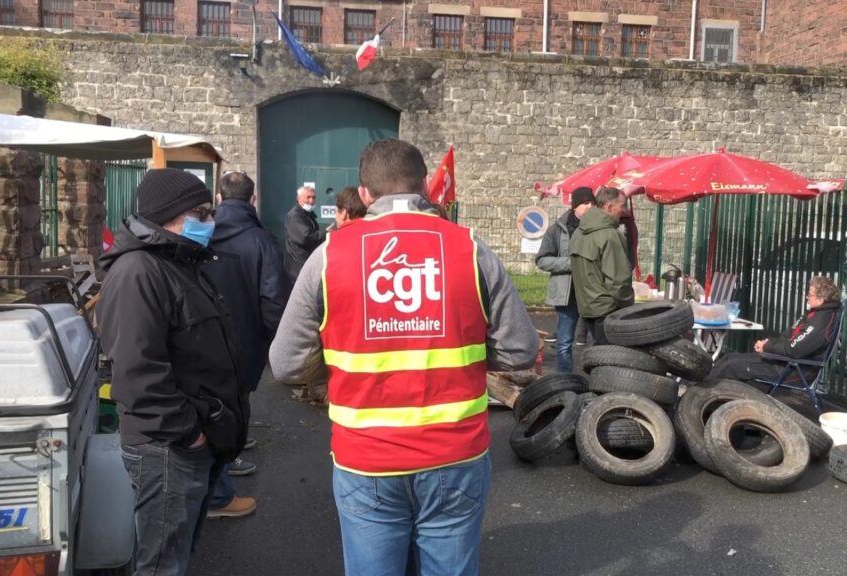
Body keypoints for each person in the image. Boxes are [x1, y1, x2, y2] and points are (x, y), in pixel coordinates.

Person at [269, 139, 539, 576]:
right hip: (454, 456)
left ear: (364, 194)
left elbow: (286, 363)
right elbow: (520, 349)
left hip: (367, 458)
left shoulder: (328, 256)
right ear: (425, 188)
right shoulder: (471, 249)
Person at [97, 168, 248, 575]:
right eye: (200, 212)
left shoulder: (180, 263)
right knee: (162, 564)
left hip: (189, 444)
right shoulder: (139, 272)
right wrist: (189, 434)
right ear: (168, 216)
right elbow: (137, 373)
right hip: (168, 449)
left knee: (176, 556)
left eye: (210, 211)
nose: (211, 222)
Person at [203, 170, 289, 518]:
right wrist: (272, 340)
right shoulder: (262, 240)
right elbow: (273, 299)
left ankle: (226, 466)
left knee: (212, 408)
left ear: (219, 198)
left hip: (203, 338)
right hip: (245, 340)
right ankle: (220, 494)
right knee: (233, 406)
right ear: (252, 199)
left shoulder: (202, 235)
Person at [706, 276, 842, 384]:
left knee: (731, 367)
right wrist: (768, 343)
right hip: (782, 361)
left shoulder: (821, 321)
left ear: (820, 299)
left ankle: (698, 395)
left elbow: (794, 350)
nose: (806, 297)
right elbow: (787, 337)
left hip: (794, 371)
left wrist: (768, 346)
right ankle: (700, 386)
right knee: (728, 357)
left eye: (810, 295)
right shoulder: (814, 313)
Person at [535, 187, 595, 373]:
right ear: (575, 205)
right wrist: (572, 264)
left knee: (597, 343)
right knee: (565, 342)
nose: (590, 206)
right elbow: (542, 260)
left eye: (592, 202)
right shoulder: (557, 230)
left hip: (592, 294)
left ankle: (596, 381)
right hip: (566, 294)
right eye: (586, 203)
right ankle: (564, 380)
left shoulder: (597, 229)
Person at [569, 186, 635, 345]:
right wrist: (629, 305)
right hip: (607, 310)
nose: (624, 210)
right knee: (611, 362)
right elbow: (618, 280)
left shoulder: (579, 232)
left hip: (587, 308)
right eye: (622, 205)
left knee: (598, 359)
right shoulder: (610, 235)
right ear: (609, 206)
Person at [283, 184, 326, 282]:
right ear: (298, 198)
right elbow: (305, 237)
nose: (311, 201)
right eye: (308, 197)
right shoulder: (295, 216)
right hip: (297, 267)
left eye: (313, 197)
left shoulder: (308, 215)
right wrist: (325, 234)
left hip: (306, 263)